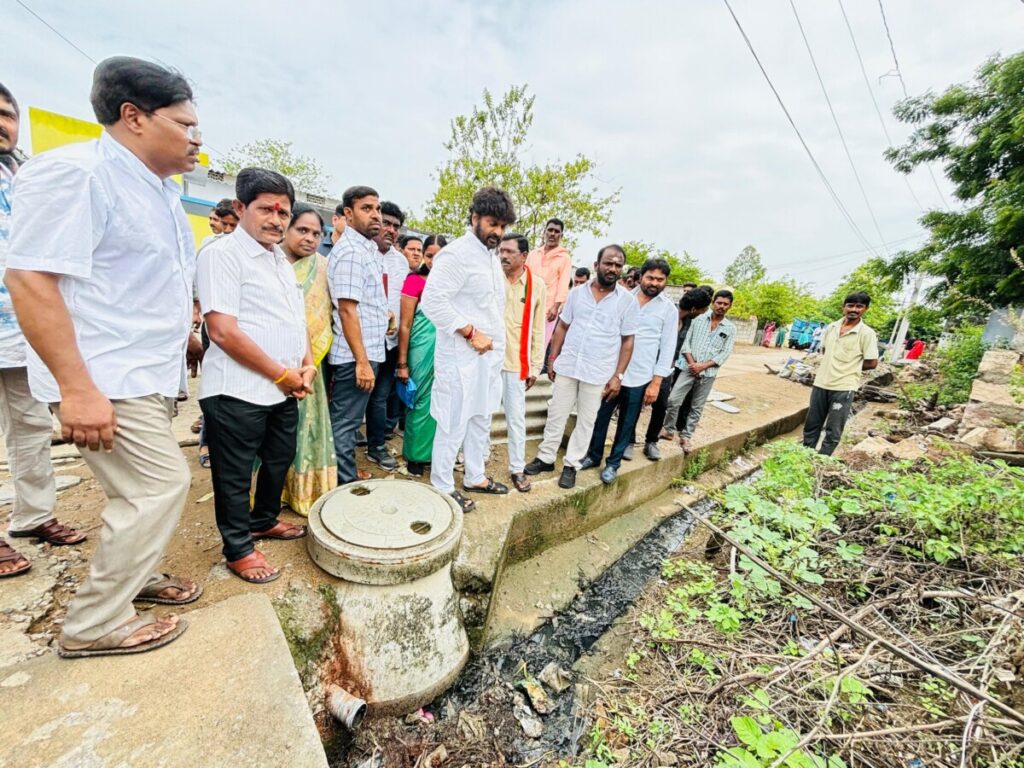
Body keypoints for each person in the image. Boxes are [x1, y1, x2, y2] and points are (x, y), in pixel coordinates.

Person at [6, 57, 203, 655]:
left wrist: (183, 336)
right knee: (159, 485)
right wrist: (78, 388)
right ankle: (94, 623)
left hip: (141, 368)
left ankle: (135, 577)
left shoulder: (158, 191)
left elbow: (137, 281)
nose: (197, 139)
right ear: (133, 117)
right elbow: (30, 281)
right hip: (104, 374)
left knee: (135, 488)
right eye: (185, 124)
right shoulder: (78, 174)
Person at [198, 168, 312, 585]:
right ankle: (238, 548)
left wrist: (306, 364)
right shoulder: (221, 254)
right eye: (266, 208)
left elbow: (293, 321)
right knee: (233, 471)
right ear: (241, 207)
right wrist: (283, 373)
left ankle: (262, 520)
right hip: (237, 389)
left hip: (283, 389)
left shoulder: (278, 260)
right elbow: (223, 331)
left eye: (283, 211)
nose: (277, 219)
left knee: (279, 459)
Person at [0, 82, 87, 580]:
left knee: (30, 428)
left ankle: (32, 516)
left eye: (9, 114)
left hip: (21, 329)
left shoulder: (24, 174)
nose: (4, 124)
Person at [420, 187, 516, 512]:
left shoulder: (491, 257)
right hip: (460, 359)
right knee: (453, 422)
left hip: (487, 360)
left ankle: (475, 475)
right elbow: (432, 302)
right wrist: (470, 332)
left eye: (502, 226)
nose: (498, 232)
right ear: (474, 217)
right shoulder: (456, 255)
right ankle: (443, 487)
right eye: (492, 223)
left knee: (481, 418)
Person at [524, 245, 637, 489]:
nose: (613, 268)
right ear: (597, 264)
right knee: (556, 413)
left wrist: (618, 376)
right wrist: (552, 359)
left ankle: (571, 464)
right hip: (568, 364)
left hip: (598, 372)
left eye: (618, 265)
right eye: (608, 263)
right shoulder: (576, 293)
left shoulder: (627, 302)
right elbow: (562, 327)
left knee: (586, 421)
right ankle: (545, 458)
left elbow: (628, 341)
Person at [581, 258, 674, 484]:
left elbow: (668, 348)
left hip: (641, 376)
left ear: (665, 282)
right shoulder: (623, 298)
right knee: (600, 416)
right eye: (651, 277)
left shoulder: (668, 309)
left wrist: (656, 383)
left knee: (627, 422)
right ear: (641, 277)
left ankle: (613, 464)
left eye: (660, 280)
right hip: (613, 373)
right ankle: (593, 456)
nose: (654, 283)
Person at [279, 203, 337, 515]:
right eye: (303, 230)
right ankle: (271, 493)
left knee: (307, 424)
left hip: (312, 362)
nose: (311, 238)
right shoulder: (270, 264)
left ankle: (305, 490)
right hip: (272, 362)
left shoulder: (324, 267)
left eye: (317, 233)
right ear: (286, 229)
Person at [327, 186, 385, 484]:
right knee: (346, 423)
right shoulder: (350, 252)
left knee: (349, 422)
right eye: (366, 208)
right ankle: (343, 483)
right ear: (347, 214)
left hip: (366, 352)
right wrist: (362, 362)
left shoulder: (366, 250)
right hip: (355, 357)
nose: (375, 214)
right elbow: (347, 311)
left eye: (377, 208)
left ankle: (344, 476)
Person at [802, 292, 879, 456]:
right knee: (812, 424)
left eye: (859, 306)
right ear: (843, 307)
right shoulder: (831, 327)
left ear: (865, 309)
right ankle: (804, 457)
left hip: (844, 387)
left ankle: (821, 460)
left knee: (833, 429)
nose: (854, 309)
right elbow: (825, 350)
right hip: (821, 383)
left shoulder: (866, 333)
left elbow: (872, 362)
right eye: (850, 305)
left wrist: (850, 367)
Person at [498, 234, 546, 493]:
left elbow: (538, 330)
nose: (503, 255)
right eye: (501, 250)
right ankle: (476, 462)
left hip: (517, 363)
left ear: (524, 256)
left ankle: (517, 468)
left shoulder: (536, 286)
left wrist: (535, 367)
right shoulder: (492, 278)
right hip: (488, 359)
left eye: (509, 251)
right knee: (480, 413)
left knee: (515, 418)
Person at [662, 290, 736, 453]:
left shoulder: (730, 328)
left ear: (730, 306)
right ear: (713, 303)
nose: (721, 306)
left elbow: (725, 353)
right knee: (674, 399)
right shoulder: (698, 320)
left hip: (708, 374)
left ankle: (686, 436)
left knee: (697, 407)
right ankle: (668, 429)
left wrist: (703, 366)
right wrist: (693, 364)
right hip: (689, 368)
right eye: (719, 303)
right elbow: (686, 343)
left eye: (725, 304)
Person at [397, 234, 446, 476]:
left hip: (446, 350)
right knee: (418, 401)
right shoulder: (414, 281)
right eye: (429, 256)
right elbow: (405, 325)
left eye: (440, 257)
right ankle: (415, 456)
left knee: (439, 401)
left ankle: (433, 453)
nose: (434, 262)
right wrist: (402, 363)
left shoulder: (450, 284)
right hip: (420, 347)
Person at [643, 288, 711, 460]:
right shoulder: (666, 312)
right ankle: (628, 441)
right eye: (703, 310)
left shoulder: (690, 323)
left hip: (666, 370)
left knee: (661, 406)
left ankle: (651, 442)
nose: (703, 313)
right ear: (695, 309)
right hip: (646, 365)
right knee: (636, 404)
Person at [364, 201, 407, 469]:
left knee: (380, 397)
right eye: (386, 223)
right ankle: (339, 454)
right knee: (354, 401)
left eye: (396, 226)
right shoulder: (362, 253)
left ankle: (376, 447)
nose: (390, 230)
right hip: (362, 342)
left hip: (390, 342)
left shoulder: (400, 262)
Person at [526, 218, 572, 347]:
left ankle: (536, 368)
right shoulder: (533, 254)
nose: (552, 234)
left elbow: (563, 284)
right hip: (528, 304)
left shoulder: (564, 258)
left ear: (561, 235)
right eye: (550, 230)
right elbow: (525, 277)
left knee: (539, 344)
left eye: (556, 231)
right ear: (544, 232)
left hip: (548, 309)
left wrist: (555, 307)